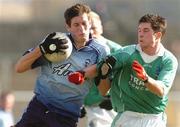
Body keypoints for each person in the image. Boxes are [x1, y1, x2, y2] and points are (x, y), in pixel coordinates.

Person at [68, 14, 178, 127]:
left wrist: (145, 79)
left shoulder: (168, 60)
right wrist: (82, 74)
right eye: (139, 30)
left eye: (146, 30)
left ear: (157, 35)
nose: (141, 34)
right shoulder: (127, 53)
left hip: (154, 119)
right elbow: (100, 67)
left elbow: (161, 90)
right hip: (127, 117)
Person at [14, 3, 110, 127]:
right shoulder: (55, 41)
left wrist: (103, 73)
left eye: (84, 23)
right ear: (68, 26)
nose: (81, 28)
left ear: (90, 23)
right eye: (76, 24)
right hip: (38, 108)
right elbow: (19, 68)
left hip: (66, 116)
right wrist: (41, 49)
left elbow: (104, 91)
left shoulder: (101, 51)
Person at [81, 11, 121, 127]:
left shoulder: (117, 51)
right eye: (88, 29)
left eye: (93, 28)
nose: (91, 32)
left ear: (101, 28)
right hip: (90, 110)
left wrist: (113, 98)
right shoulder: (78, 52)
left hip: (113, 108)